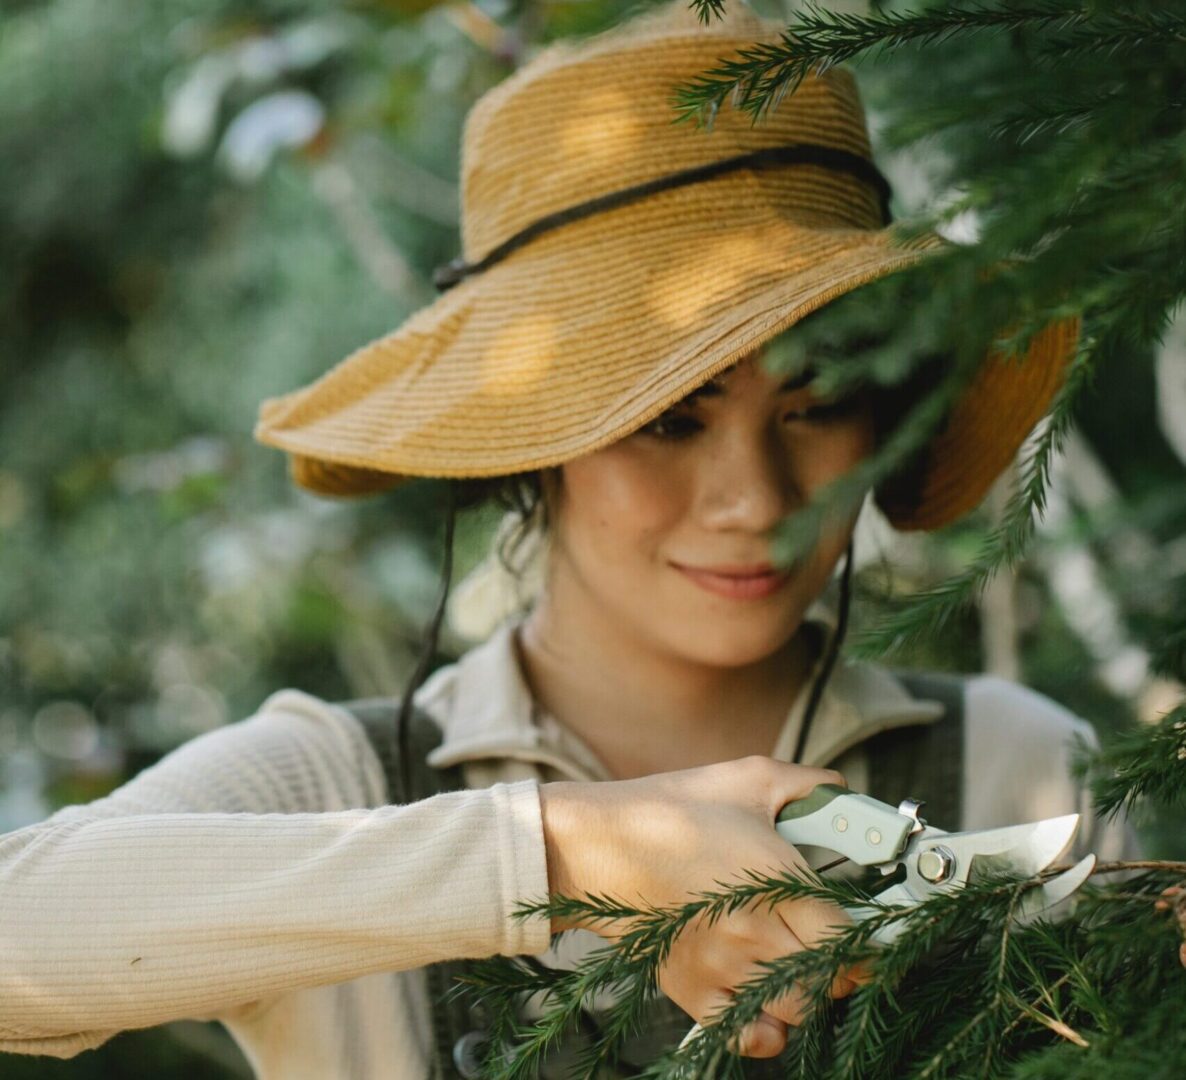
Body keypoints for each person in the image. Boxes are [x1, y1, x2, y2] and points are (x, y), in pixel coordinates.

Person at [0, 2, 1137, 1077]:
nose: (750, 498)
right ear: (533, 439)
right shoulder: (338, 777)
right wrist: (562, 852)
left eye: (816, 402)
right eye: (664, 421)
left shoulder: (1014, 769)